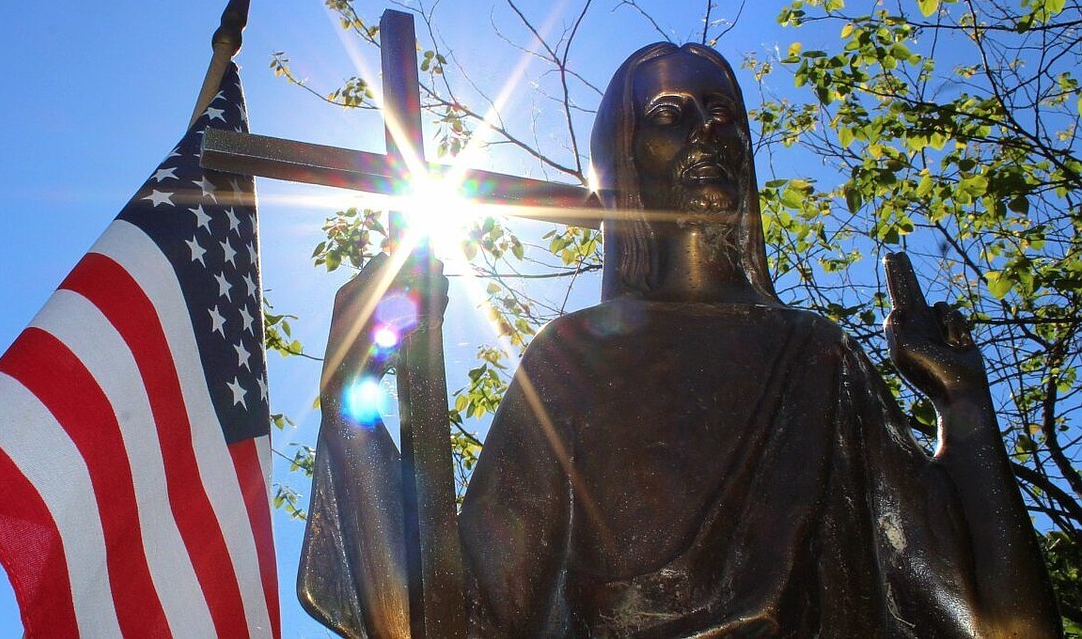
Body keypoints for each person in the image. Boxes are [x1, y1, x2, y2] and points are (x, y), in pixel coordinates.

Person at [300, 42, 1062, 638]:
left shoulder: (821, 360)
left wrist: (965, 406)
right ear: (625, 160)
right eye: (671, 114)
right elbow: (452, 625)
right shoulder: (570, 362)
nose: (710, 132)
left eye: (725, 114)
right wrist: (351, 399)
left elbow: (1007, 628)